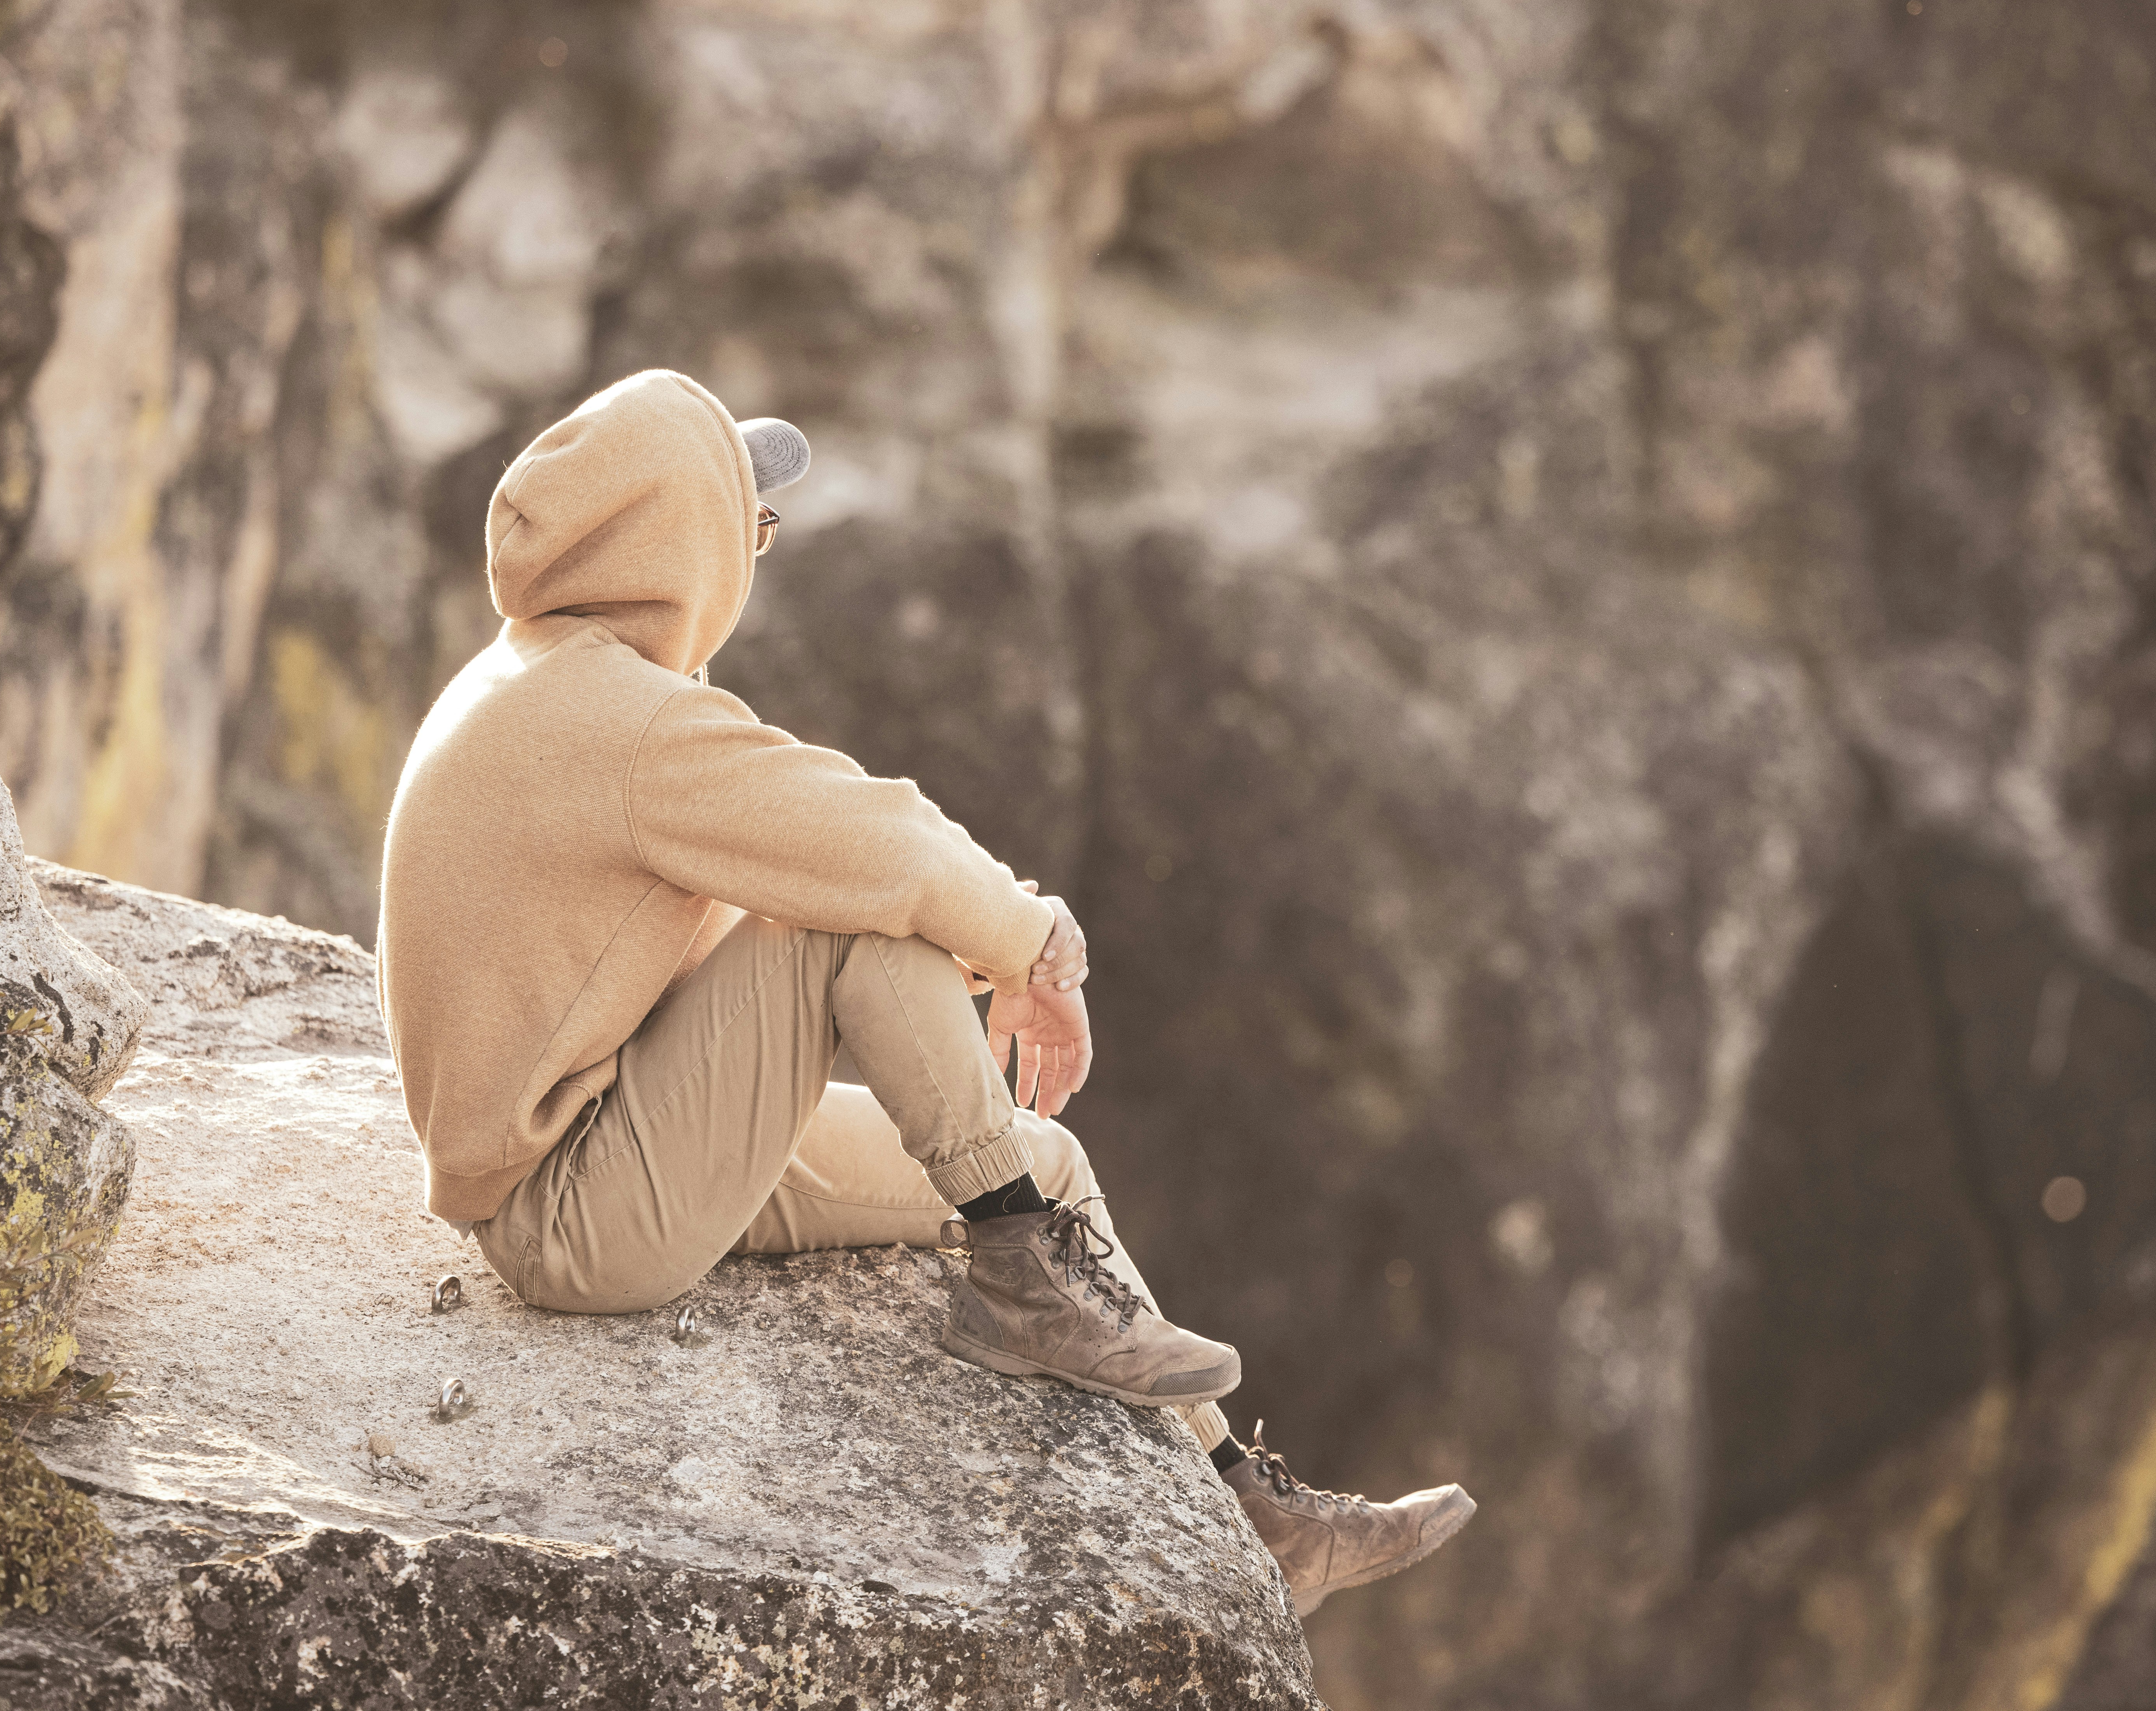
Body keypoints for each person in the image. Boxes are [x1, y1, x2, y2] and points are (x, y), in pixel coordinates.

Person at [375, 369, 1471, 1617]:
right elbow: (879, 846)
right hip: (571, 1209)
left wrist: (986, 951)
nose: (759, 554)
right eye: (753, 525)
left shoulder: (538, 681)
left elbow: (813, 854)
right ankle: (1018, 1291)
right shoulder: (623, 728)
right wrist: (1031, 943)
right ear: (679, 547)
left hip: (614, 1129)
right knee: (842, 933)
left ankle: (1254, 1511)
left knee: (1039, 1164)